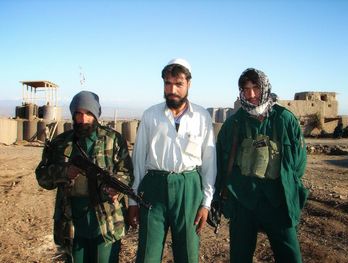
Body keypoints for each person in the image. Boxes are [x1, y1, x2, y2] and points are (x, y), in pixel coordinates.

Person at [128, 58, 217, 263]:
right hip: (153, 188)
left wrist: (206, 203)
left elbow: (209, 162)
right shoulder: (150, 115)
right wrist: (133, 200)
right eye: (168, 83)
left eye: (179, 84)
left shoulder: (202, 117)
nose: (172, 89)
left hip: (189, 189)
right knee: (147, 253)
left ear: (189, 84)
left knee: (187, 252)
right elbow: (139, 160)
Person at [215, 68, 308, 263]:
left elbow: (298, 163)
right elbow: (221, 162)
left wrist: (287, 188)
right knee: (240, 256)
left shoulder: (284, 119)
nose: (251, 94)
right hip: (243, 200)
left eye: (255, 88)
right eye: (245, 89)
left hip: (277, 199)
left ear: (264, 87)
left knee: (290, 255)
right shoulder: (234, 124)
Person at [35, 91, 133, 263]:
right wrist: (64, 172)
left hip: (106, 223)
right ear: (73, 115)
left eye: (88, 113)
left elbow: (126, 173)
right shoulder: (60, 143)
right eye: (79, 113)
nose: (83, 118)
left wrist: (117, 187)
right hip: (72, 224)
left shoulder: (113, 140)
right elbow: (42, 177)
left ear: (96, 115)